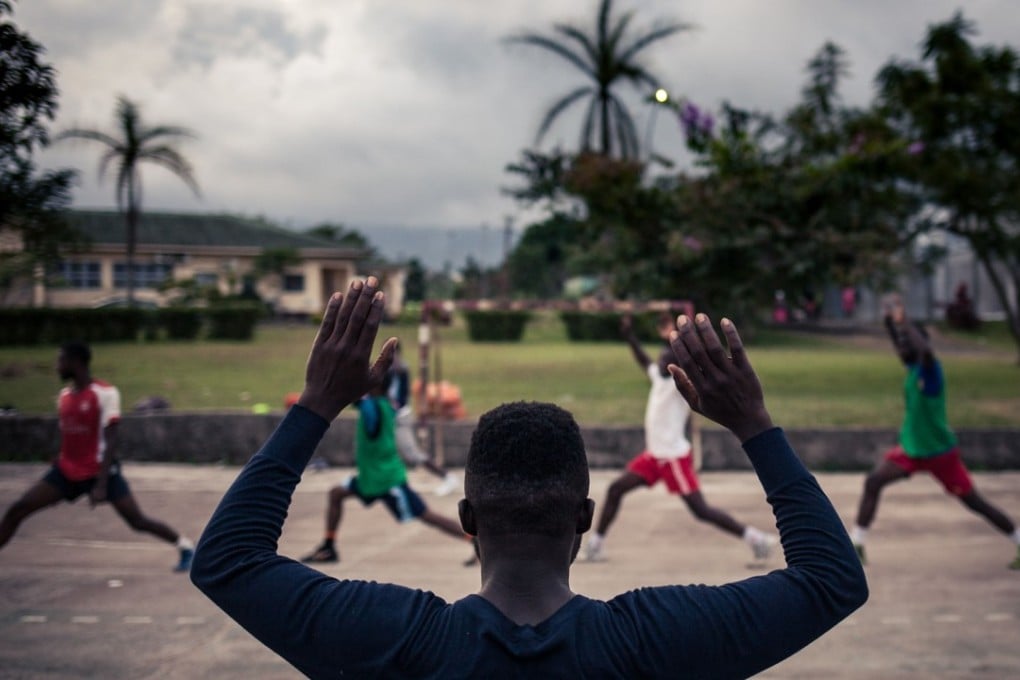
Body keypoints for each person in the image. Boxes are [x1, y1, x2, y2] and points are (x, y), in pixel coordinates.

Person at [191, 277, 867, 678]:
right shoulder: (650, 642)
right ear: (583, 518)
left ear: (468, 520)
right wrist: (753, 423)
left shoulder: (400, 641)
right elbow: (831, 579)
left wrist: (316, 404)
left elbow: (227, 561)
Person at [584, 313, 776, 563]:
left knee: (700, 510)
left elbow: (682, 356)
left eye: (667, 358)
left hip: (673, 457)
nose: (661, 360)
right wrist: (629, 335)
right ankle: (596, 544)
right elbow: (643, 358)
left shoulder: (680, 384)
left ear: (675, 364)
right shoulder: (658, 377)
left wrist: (673, 338)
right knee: (616, 489)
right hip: (654, 456)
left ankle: (757, 539)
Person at [850, 296, 1020, 569]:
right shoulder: (913, 368)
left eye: (907, 343)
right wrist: (890, 322)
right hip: (912, 449)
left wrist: (904, 321)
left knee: (974, 502)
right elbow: (901, 345)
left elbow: (926, 350)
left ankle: (1018, 539)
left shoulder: (931, 372)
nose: (901, 348)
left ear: (919, 346)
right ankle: (857, 545)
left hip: (940, 453)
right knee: (873, 482)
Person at [0, 341, 194, 572]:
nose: (57, 366)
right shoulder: (64, 396)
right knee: (18, 509)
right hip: (66, 471)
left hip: (100, 472)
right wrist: (55, 472)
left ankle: (185, 547)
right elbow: (68, 436)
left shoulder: (105, 393)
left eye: (61, 361)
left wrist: (101, 485)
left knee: (137, 520)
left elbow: (111, 439)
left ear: (76, 362)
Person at [300, 370, 473, 565]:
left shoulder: (372, 407)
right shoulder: (385, 404)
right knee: (336, 494)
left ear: (376, 385)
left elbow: (356, 401)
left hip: (387, 479)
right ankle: (328, 546)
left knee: (426, 515)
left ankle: (474, 541)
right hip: (370, 478)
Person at [388, 346, 460, 496]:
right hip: (389, 416)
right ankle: (392, 484)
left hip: (400, 417)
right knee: (387, 451)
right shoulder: (386, 370)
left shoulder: (401, 369)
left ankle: (447, 477)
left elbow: (402, 397)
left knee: (413, 453)